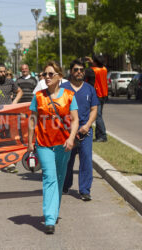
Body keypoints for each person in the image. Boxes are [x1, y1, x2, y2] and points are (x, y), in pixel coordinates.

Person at [27, 61, 79, 234]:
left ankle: (54, 211)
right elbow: (32, 119)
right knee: (49, 177)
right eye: (45, 74)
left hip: (64, 144)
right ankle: (49, 218)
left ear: (60, 77)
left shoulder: (69, 95)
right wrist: (30, 142)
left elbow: (75, 119)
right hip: (44, 144)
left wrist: (71, 138)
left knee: (59, 177)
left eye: (50, 74)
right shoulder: (39, 96)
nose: (47, 77)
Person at [62, 59, 99, 201]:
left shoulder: (90, 88)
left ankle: (84, 190)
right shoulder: (63, 88)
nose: (79, 72)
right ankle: (65, 185)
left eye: (81, 70)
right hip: (68, 131)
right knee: (67, 160)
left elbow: (94, 109)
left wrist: (88, 125)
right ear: (71, 71)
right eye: (76, 70)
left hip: (85, 131)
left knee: (86, 160)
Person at [89, 55, 108, 142]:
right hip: (104, 94)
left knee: (97, 116)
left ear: (95, 62)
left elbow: (88, 71)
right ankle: (98, 136)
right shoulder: (104, 69)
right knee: (99, 115)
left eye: (93, 61)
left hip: (97, 94)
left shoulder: (94, 70)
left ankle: (103, 136)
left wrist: (89, 62)